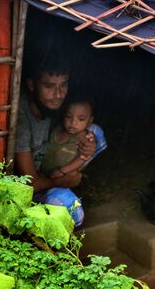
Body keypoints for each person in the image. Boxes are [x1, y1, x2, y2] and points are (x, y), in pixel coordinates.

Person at [14, 60, 97, 225]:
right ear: (31, 84)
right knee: (73, 211)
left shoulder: (54, 103)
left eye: (63, 85)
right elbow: (29, 183)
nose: (58, 94)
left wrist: (89, 144)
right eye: (49, 86)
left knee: (95, 132)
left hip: (49, 164)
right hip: (25, 188)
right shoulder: (21, 119)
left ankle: (69, 173)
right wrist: (62, 181)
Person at [40, 97, 107, 179]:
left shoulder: (86, 138)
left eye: (81, 119)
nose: (73, 123)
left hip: (58, 176)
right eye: (68, 116)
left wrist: (62, 171)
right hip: (39, 172)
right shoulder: (55, 128)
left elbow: (82, 159)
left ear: (89, 121)